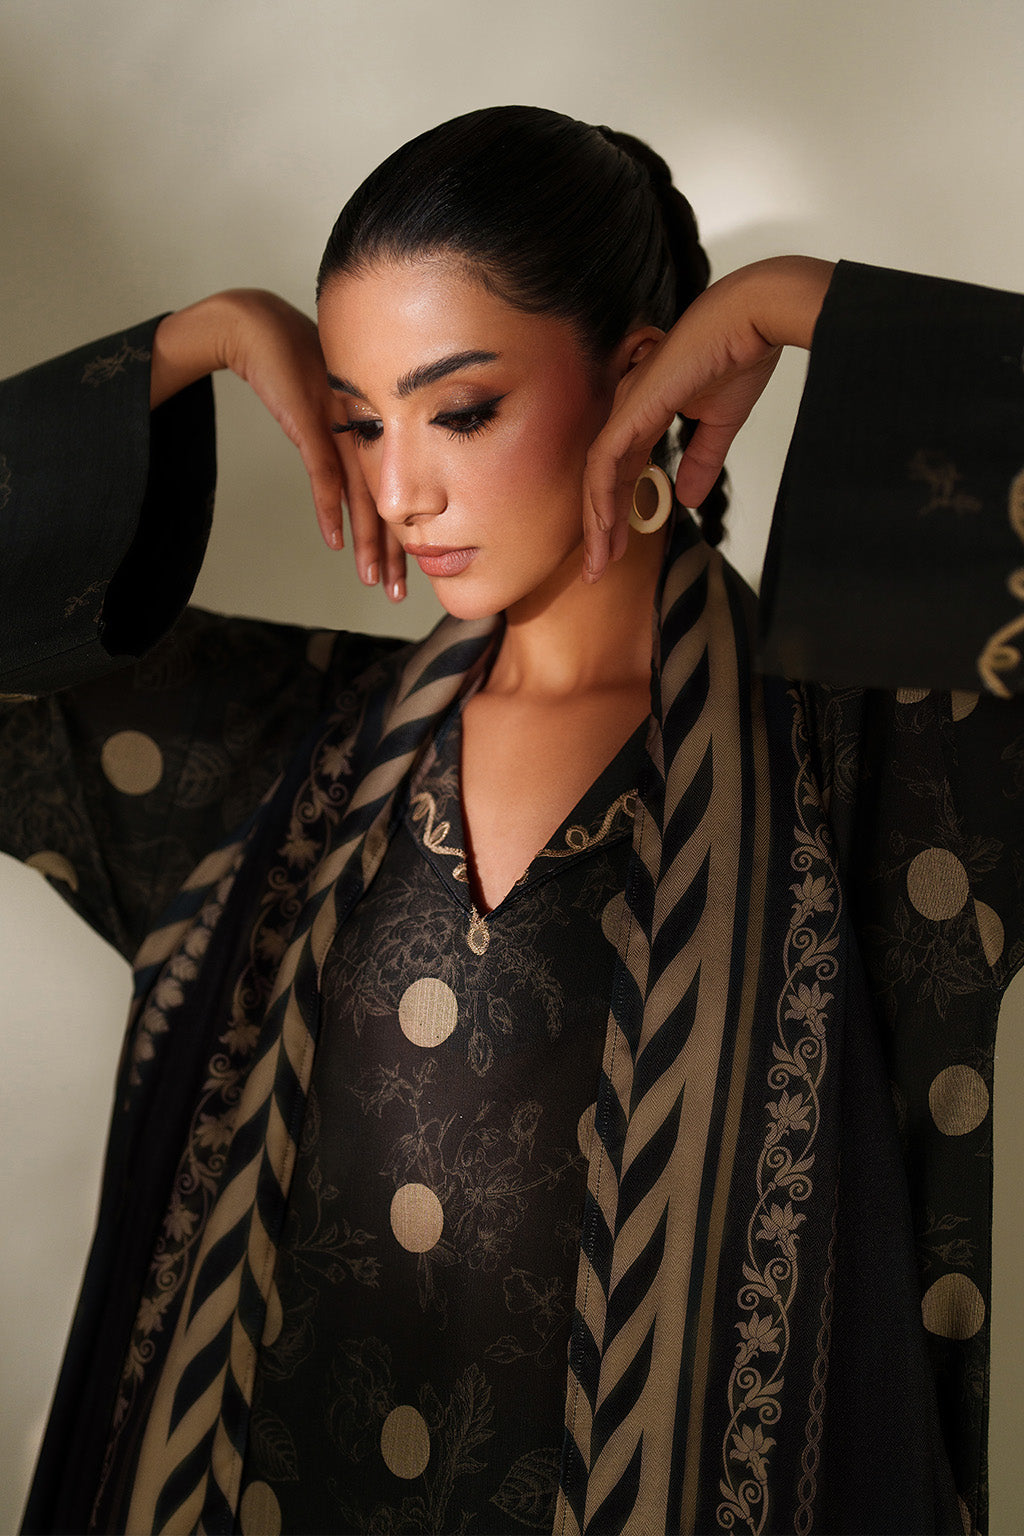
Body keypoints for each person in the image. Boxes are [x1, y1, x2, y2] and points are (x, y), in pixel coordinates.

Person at [2, 105, 1022, 1536]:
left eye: (460, 410)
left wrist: (802, 305)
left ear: (640, 374)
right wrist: (200, 339)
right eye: (362, 420)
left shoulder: (889, 771)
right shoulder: (276, 756)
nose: (399, 488)